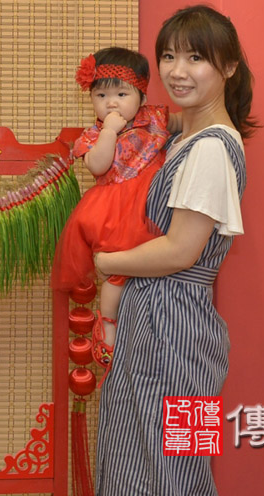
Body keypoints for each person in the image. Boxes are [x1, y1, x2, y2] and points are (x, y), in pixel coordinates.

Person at [93, 5, 256, 495]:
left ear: (229, 67)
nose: (177, 71)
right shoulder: (188, 135)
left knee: (172, 468)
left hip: (172, 321)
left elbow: (181, 250)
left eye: (196, 58)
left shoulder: (210, 148)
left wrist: (107, 262)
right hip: (170, 320)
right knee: (146, 454)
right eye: (168, 56)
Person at [50, 47, 170, 367]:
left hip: (152, 203)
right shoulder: (93, 135)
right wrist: (108, 132)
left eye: (121, 94)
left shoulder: (155, 119)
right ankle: (107, 325)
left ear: (142, 97)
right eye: (101, 95)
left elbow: (186, 124)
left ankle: (142, 330)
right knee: (116, 273)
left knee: (152, 268)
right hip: (116, 210)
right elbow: (99, 166)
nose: (111, 103)